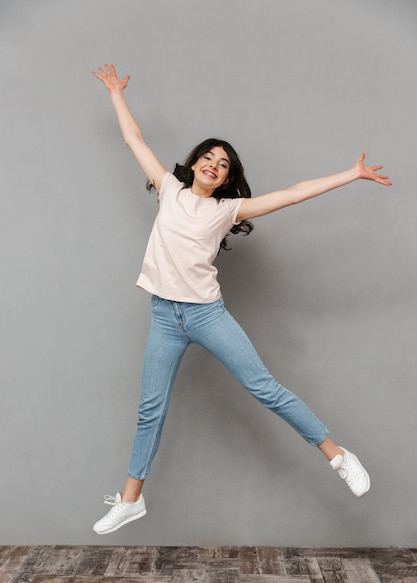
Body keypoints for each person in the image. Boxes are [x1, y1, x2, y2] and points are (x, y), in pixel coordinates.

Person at [91, 64, 391, 535]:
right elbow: (135, 140)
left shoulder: (228, 209)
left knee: (265, 389)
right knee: (151, 408)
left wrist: (350, 175)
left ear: (227, 179)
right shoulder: (169, 190)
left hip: (206, 316)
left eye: (223, 163)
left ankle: (339, 456)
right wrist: (115, 93)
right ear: (194, 164)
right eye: (208, 157)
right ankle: (132, 501)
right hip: (164, 316)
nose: (213, 164)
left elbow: (292, 195)